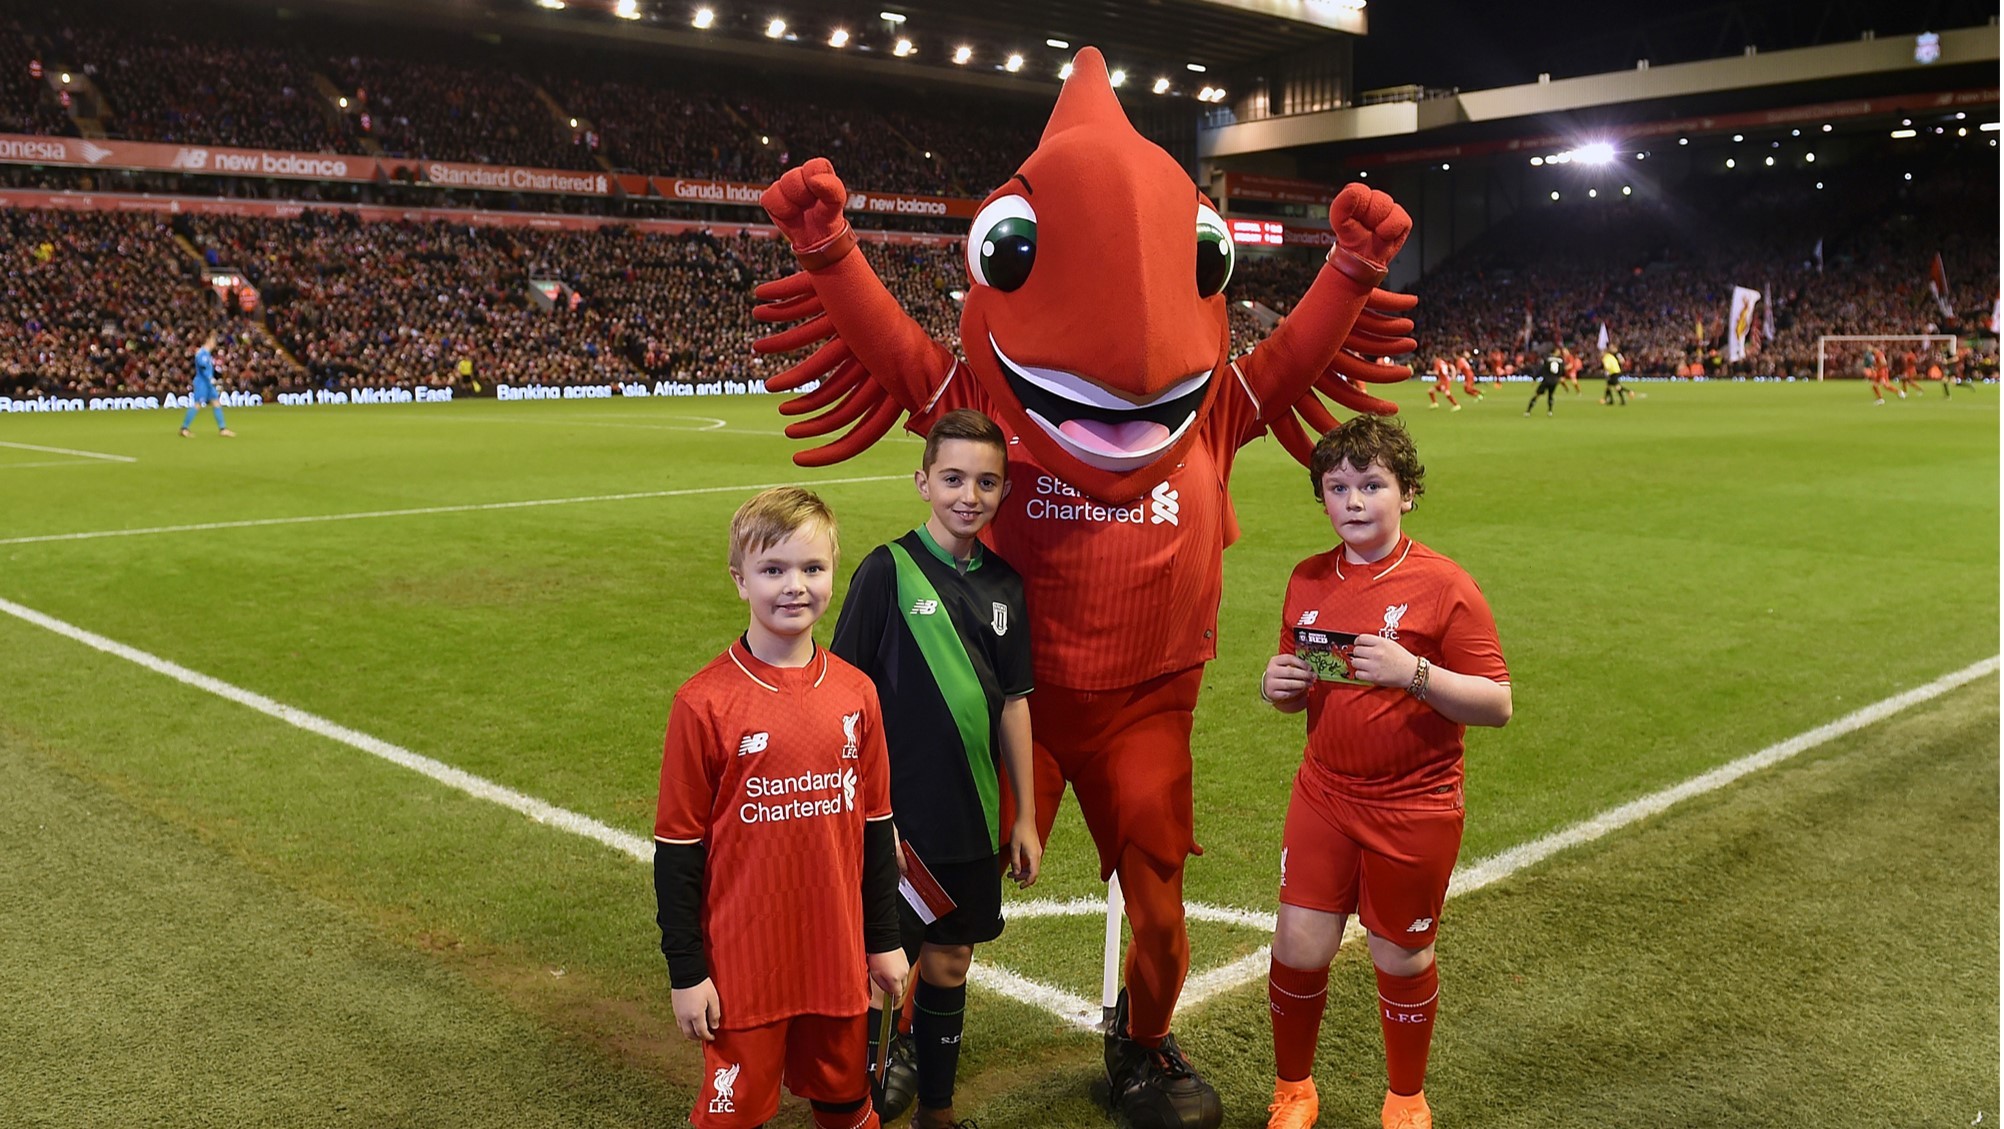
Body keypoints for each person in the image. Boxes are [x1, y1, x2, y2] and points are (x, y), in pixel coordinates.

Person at [1257, 417, 1512, 1129]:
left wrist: (1414, 672)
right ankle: (1294, 1089)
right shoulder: (1308, 578)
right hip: (1325, 794)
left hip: (1415, 803)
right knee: (1298, 944)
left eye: (1372, 485)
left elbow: (1497, 703)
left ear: (1407, 494)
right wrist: (1279, 688)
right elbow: (1301, 681)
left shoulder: (1445, 586)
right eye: (1338, 487)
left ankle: (1406, 1097)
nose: (1354, 501)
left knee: (1401, 955)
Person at [654, 487, 910, 1129]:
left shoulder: (857, 694)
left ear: (833, 572)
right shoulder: (703, 703)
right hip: (743, 968)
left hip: (836, 959)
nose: (794, 586)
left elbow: (876, 829)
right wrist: (687, 972)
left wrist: (882, 942)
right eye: (773, 569)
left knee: (848, 1107)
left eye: (812, 568)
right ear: (740, 580)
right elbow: (678, 853)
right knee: (733, 1117)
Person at [830, 409, 1043, 1129]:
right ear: (923, 482)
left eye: (986, 482)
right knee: (876, 972)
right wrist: (867, 817)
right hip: (896, 827)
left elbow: (1015, 704)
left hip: (972, 820)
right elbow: (843, 698)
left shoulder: (1006, 586)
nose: (968, 495)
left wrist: (1024, 816)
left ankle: (937, 1111)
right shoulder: (887, 570)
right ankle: (851, 1112)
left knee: (950, 963)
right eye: (952, 478)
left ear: (1003, 491)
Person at [180, 332, 236, 437]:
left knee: (216, 403)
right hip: (202, 383)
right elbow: (203, 367)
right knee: (197, 404)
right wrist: (211, 379)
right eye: (213, 341)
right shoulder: (202, 353)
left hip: (208, 383)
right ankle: (184, 428)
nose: (215, 343)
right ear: (208, 341)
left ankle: (223, 429)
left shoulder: (207, 354)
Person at [1525, 347, 1563, 416]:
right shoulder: (1560, 360)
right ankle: (1550, 411)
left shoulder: (1547, 359)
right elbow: (1561, 371)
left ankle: (1528, 411)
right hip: (1554, 381)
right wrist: (1559, 378)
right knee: (1550, 395)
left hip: (1546, 380)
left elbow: (1542, 370)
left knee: (1537, 394)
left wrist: (1535, 378)